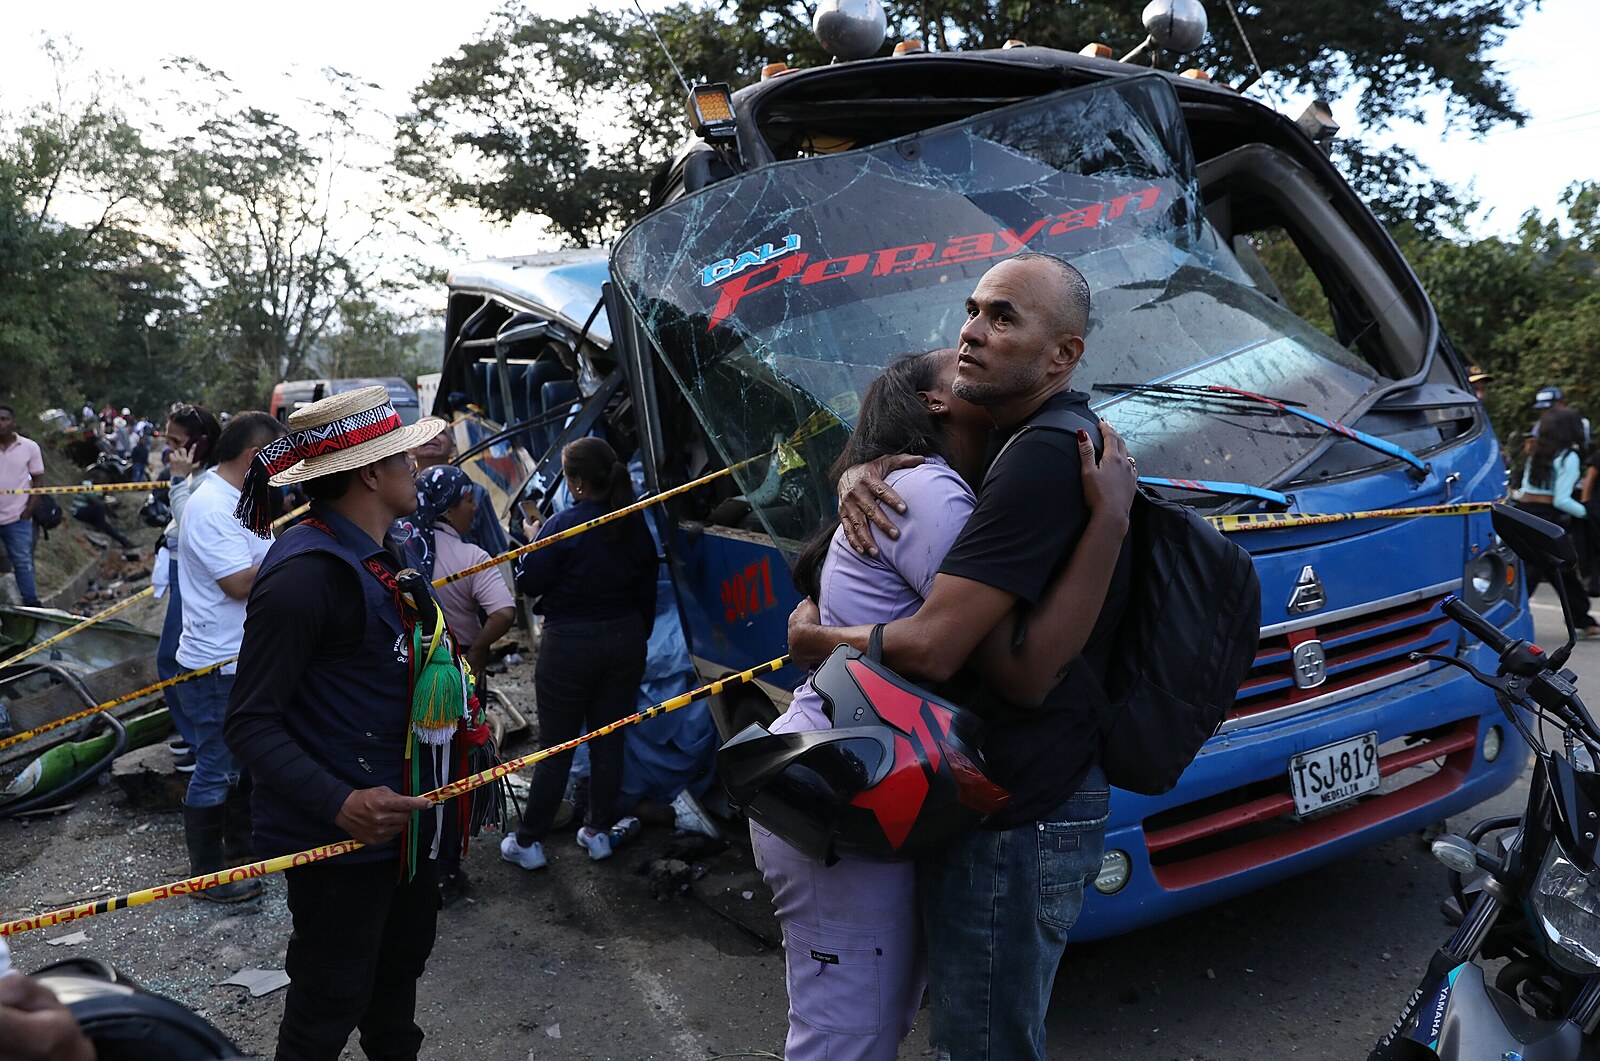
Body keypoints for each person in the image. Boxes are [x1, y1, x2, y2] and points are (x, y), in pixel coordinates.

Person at [788, 253, 1134, 1061]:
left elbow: (991, 661)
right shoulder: (995, 459)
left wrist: (812, 640)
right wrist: (860, 468)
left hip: (1020, 802)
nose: (973, 330)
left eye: (1002, 316)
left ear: (1064, 354)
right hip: (988, 791)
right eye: (972, 311)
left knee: (957, 1040)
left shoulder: (1031, 455)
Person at [224, 385, 448, 1061]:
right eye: (404, 458)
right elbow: (249, 723)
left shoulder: (381, 552)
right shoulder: (306, 575)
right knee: (326, 1006)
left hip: (400, 831)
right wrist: (341, 802)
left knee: (395, 988)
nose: (417, 466)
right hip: (340, 842)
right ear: (371, 474)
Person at [500, 436, 657, 870]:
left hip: (569, 645)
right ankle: (598, 831)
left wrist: (533, 540)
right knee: (609, 739)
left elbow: (529, 582)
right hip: (626, 640)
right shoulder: (632, 521)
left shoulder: (562, 526)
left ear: (577, 482)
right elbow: (648, 588)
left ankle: (529, 842)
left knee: (556, 747)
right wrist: (634, 637)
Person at [175, 412, 287, 903]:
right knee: (217, 768)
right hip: (217, 665)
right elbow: (239, 582)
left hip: (242, 658)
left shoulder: (242, 499)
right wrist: (295, 555)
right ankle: (206, 874)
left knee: (242, 765)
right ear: (253, 456)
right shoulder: (210, 506)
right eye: (278, 457)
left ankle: (240, 855)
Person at [398, 463, 517, 903]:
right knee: (454, 773)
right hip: (457, 682)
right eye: (469, 500)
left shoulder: (400, 550)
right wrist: (480, 649)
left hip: (408, 680)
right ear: (449, 507)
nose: (474, 508)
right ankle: (446, 867)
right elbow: (504, 611)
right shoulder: (470, 557)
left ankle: (414, 862)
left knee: (412, 769)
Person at [157, 404, 223, 772]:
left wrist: (177, 480)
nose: (169, 450)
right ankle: (193, 732)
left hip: (191, 572)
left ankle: (201, 743)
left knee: (172, 658)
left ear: (200, 443)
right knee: (172, 657)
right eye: (166, 441)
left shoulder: (208, 480)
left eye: (176, 442)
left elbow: (189, 526)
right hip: (177, 566)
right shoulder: (198, 475)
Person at [1516, 406, 1599, 636]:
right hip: (1546, 518)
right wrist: (1588, 513)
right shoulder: (1567, 457)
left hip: (1524, 512)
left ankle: (1581, 618)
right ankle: (1503, 620)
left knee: (1559, 568)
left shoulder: (1536, 450)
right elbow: (1562, 500)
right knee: (1534, 571)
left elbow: (1525, 488)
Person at [0, 403, 45, 607]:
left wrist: (28, 511)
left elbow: (38, 481)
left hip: (18, 518)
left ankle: (31, 605)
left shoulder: (29, 447)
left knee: (22, 563)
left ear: (13, 422)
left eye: (4, 419)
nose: (1, 424)